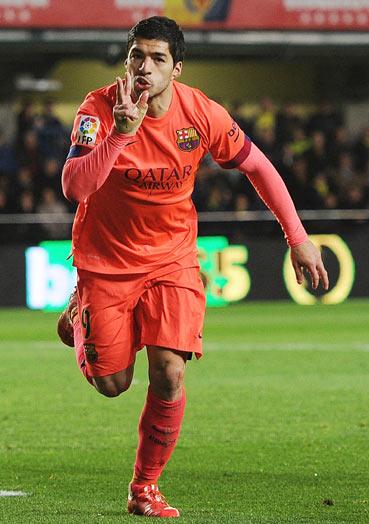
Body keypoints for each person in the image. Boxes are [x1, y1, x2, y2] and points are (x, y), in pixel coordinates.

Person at [56, 16, 329, 518]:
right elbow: (75, 188)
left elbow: (258, 166)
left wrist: (299, 238)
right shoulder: (97, 109)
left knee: (169, 374)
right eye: (137, 55)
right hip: (107, 262)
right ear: (127, 60)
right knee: (112, 384)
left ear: (176, 69)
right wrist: (120, 134)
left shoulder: (200, 112)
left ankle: (145, 487)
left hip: (172, 259)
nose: (145, 66)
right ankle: (80, 314)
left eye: (158, 58)